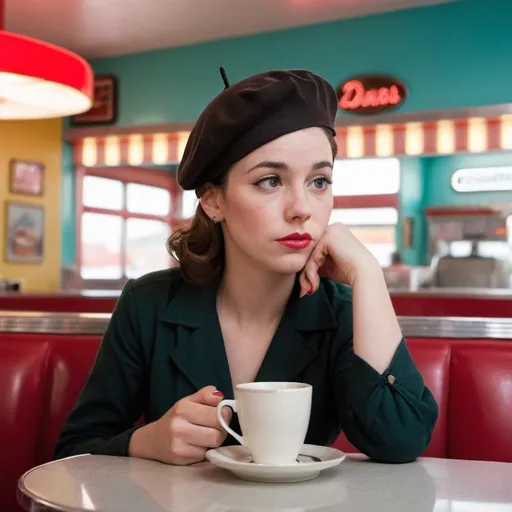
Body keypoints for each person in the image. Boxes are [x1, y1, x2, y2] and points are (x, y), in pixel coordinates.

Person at [54, 69, 438, 466]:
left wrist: (368, 274)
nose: (302, 208)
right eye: (270, 181)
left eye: (319, 181)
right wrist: (145, 442)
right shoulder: (147, 303)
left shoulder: (342, 312)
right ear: (213, 201)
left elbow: (402, 440)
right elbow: (72, 453)